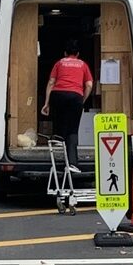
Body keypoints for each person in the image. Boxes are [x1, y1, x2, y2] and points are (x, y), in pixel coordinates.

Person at [41, 40, 93, 174]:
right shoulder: (83, 65)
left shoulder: (59, 63)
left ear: (65, 53)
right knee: (73, 130)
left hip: (58, 95)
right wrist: (82, 99)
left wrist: (47, 103)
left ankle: (57, 160)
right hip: (75, 96)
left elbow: (51, 82)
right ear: (78, 54)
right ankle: (72, 163)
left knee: (59, 127)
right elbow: (89, 85)